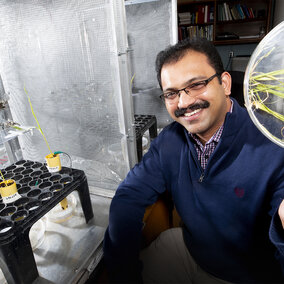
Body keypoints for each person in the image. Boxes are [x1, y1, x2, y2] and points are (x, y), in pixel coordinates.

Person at [103, 37, 284, 283]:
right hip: (190, 249)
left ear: (225, 83)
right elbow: (128, 196)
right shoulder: (170, 141)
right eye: (171, 93)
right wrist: (124, 272)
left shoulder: (271, 147)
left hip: (245, 273)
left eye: (197, 84)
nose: (184, 102)